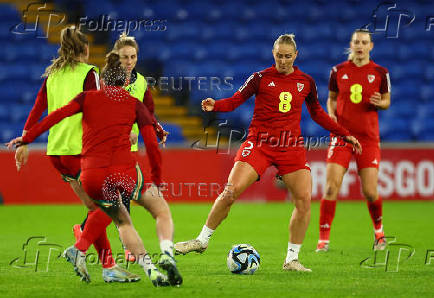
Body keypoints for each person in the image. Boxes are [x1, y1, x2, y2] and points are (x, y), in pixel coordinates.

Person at [174, 34, 362, 272]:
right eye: (279, 56)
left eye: (287, 56)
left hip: (291, 147)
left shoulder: (306, 82)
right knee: (230, 192)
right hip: (259, 144)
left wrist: (343, 133)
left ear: (295, 55)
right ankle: (201, 240)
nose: (283, 61)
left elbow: (317, 113)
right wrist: (216, 105)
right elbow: (235, 100)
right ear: (273, 54)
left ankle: (291, 259)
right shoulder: (260, 78)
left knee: (304, 200)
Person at [7, 53, 182, 287]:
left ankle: (148, 271)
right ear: (124, 82)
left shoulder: (86, 98)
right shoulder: (134, 103)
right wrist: (157, 179)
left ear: (104, 80)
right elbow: (151, 145)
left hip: (91, 174)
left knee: (120, 220)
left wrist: (27, 137)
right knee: (159, 210)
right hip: (123, 171)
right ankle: (166, 255)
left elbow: (55, 116)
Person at [15, 26, 139, 282]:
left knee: (96, 208)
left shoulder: (53, 76)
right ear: (85, 49)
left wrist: (25, 141)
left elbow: (39, 108)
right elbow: (99, 105)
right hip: (80, 151)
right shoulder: (89, 73)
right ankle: (80, 246)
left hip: (56, 152)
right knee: (111, 205)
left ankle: (108, 267)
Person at [73, 33, 168, 263]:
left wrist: (156, 128)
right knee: (111, 203)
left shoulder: (141, 81)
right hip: (105, 150)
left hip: (127, 150)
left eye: (133, 56)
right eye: (125, 57)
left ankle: (86, 235)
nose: (129, 61)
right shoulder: (104, 81)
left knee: (121, 200)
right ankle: (101, 241)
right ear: (117, 57)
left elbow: (147, 110)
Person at [316, 29, 391, 252]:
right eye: (356, 41)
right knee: (331, 187)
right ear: (351, 44)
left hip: (368, 139)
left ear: (371, 46)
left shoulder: (380, 72)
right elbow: (330, 99)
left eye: (364, 42)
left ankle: (379, 233)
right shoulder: (338, 71)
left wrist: (380, 102)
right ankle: (323, 239)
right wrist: (331, 114)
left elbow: (387, 101)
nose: (360, 45)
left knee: (369, 191)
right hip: (342, 137)